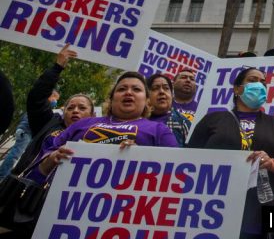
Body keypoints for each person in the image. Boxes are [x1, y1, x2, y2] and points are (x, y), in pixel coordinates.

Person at [187, 65, 274, 239]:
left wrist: (273, 163)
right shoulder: (213, 119)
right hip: (213, 207)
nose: (259, 85)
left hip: (258, 209)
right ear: (237, 89)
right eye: (252, 80)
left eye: (263, 83)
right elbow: (189, 159)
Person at [35, 71, 178, 179]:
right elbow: (38, 170)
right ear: (111, 98)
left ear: (147, 100)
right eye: (121, 89)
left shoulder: (159, 130)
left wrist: (142, 159)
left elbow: (175, 174)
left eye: (136, 89)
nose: (128, 92)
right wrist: (52, 160)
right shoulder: (82, 124)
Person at [9, 45, 96, 178]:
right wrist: (57, 67)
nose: (75, 111)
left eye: (82, 108)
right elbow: (36, 97)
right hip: (23, 184)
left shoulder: (99, 137)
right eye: (70, 108)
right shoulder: (49, 123)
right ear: (64, 112)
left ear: (93, 115)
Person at [147, 73, 191, 146]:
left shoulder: (183, 122)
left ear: (172, 94)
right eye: (155, 88)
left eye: (166, 88)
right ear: (146, 95)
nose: (162, 92)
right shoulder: (137, 121)